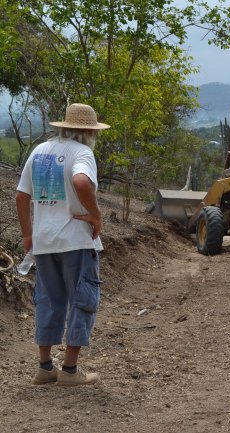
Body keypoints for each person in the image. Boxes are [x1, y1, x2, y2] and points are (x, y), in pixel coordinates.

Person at [16, 103, 109, 386]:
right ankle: (69, 371)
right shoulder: (82, 152)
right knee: (82, 300)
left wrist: (28, 234)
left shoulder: (40, 150)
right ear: (88, 132)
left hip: (44, 242)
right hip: (76, 240)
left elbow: (21, 196)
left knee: (49, 300)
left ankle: (45, 367)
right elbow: (81, 182)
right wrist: (95, 214)